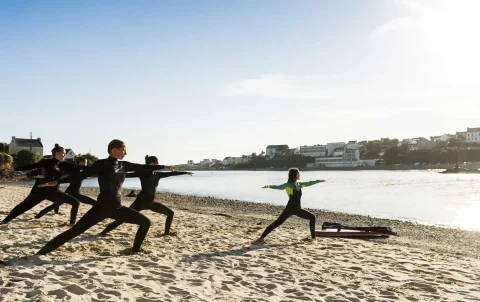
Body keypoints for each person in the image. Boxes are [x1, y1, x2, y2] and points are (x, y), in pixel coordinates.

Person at [36, 139, 175, 255]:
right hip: (101, 208)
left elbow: (144, 167)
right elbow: (81, 175)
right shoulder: (101, 164)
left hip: (117, 207)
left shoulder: (123, 165)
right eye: (123, 149)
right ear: (114, 150)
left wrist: (165, 167)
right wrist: (57, 181)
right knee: (74, 231)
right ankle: (40, 253)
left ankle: (135, 250)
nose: (125, 152)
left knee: (146, 222)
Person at [100, 154, 192, 237]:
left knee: (170, 213)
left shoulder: (157, 174)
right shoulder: (142, 173)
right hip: (140, 202)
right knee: (122, 218)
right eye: (156, 163)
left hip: (151, 202)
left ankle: (166, 233)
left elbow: (171, 174)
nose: (158, 164)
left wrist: (185, 172)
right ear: (151, 164)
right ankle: (103, 232)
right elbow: (127, 175)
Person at [1, 144, 81, 225]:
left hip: (54, 192)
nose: (64, 155)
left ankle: (72, 224)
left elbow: (77, 169)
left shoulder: (63, 165)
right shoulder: (46, 162)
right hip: (41, 191)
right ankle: (5, 220)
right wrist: (14, 169)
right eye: (63, 153)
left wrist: (88, 167)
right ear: (57, 153)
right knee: (25, 206)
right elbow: (31, 167)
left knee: (76, 203)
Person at [255, 168, 325, 243]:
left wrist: (318, 181)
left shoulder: (299, 184)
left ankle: (313, 238)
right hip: (289, 209)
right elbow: (279, 187)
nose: (300, 175)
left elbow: (309, 183)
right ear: (295, 175)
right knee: (277, 223)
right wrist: (269, 186)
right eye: (298, 174)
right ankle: (261, 238)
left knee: (312, 217)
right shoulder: (288, 185)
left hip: (298, 209)